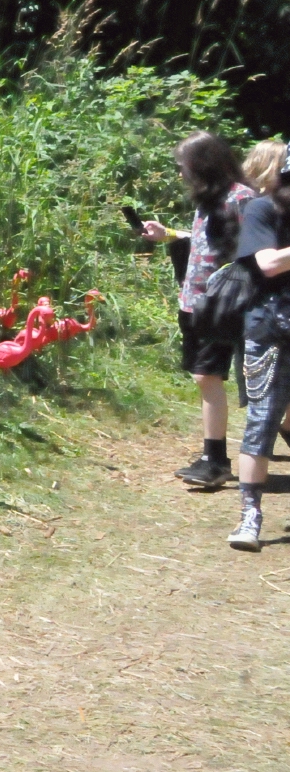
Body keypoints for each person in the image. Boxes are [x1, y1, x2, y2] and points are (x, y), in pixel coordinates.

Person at [142, 132, 254, 489]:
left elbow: (257, 250)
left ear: (203, 164)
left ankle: (215, 460)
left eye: (184, 167)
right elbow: (206, 243)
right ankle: (215, 457)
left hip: (224, 305)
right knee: (204, 377)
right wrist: (169, 235)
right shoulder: (208, 200)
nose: (181, 175)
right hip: (195, 303)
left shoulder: (242, 198)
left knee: (208, 376)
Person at [231, 148, 290, 549]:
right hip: (270, 329)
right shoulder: (261, 210)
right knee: (263, 418)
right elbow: (267, 263)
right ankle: (250, 515)